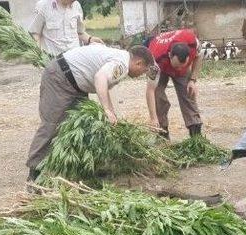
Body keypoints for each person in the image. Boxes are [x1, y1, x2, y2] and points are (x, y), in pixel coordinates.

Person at [26, 45, 155, 182]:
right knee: (51, 125)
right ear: (138, 63)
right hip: (60, 79)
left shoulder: (120, 58)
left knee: (83, 125)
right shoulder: (122, 64)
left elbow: (104, 85)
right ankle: (34, 174)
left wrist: (111, 114)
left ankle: (81, 169)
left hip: (74, 84)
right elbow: (100, 78)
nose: (142, 74)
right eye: (144, 70)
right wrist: (106, 110)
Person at [145, 29, 203, 139]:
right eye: (177, 66)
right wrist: (153, 118)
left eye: (183, 65)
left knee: (188, 93)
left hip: (176, 61)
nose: (179, 69)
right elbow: (150, 90)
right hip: (161, 67)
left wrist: (192, 80)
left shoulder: (193, 42)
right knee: (159, 97)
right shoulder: (154, 59)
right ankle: (163, 132)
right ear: (170, 55)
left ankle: (195, 133)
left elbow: (199, 56)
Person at [29, 0, 103, 58]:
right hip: (52, 61)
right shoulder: (43, 5)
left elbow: (80, 33)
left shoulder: (77, 6)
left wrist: (90, 39)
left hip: (75, 59)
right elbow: (35, 33)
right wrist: (38, 55)